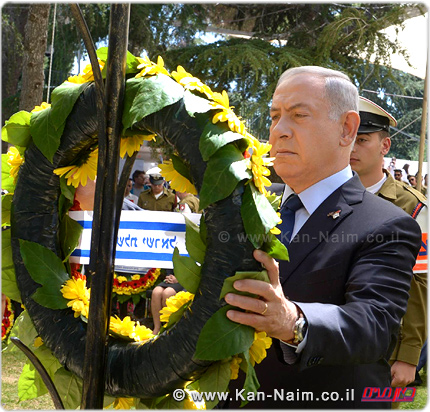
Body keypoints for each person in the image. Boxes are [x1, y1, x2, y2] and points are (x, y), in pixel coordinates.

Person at [224, 66, 421, 408]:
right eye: (274, 116)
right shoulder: (246, 204)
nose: (279, 131)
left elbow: (371, 324)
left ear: (347, 129)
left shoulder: (388, 223)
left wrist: (293, 321)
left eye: (299, 115)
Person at [350, 96, 427, 391]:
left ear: (385, 146)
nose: (352, 148)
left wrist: (408, 355)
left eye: (363, 140)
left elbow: (418, 281)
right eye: (348, 138)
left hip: (385, 346)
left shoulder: (412, 207)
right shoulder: (329, 196)